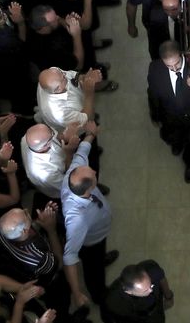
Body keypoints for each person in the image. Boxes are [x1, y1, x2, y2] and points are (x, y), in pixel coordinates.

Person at [61, 124, 119, 308]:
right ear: (88, 189)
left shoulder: (74, 173)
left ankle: (102, 259)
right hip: (90, 242)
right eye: (93, 176)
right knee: (93, 270)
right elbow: (69, 256)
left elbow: (82, 152)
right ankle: (99, 294)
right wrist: (77, 294)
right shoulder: (77, 219)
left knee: (99, 254)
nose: (94, 171)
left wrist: (91, 134)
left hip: (98, 233)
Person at [146, 41, 190, 183]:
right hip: (170, 117)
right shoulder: (155, 69)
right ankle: (177, 145)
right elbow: (152, 94)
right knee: (173, 136)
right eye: (169, 66)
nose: (174, 69)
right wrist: (155, 114)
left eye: (177, 64)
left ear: (182, 55)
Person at [0, 205, 76, 321]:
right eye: (26, 214)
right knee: (60, 303)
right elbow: (59, 263)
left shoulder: (3, 232)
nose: (27, 211)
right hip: (50, 281)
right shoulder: (39, 258)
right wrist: (51, 229)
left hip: (24, 271)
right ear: (24, 231)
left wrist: (38, 222)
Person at [21, 122, 81, 201]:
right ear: (45, 145)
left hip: (64, 155)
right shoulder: (45, 173)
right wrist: (69, 153)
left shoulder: (28, 137)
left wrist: (65, 135)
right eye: (52, 136)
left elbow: (56, 136)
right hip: (62, 185)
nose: (54, 134)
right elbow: (69, 182)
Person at [103, 261, 174, 323]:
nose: (151, 290)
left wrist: (168, 297)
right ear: (129, 292)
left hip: (155, 307)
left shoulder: (151, 268)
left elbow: (161, 278)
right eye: (145, 290)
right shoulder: (115, 302)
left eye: (150, 284)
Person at [36, 67, 101, 132]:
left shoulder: (54, 73)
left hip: (79, 100)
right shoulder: (60, 113)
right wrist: (89, 92)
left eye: (61, 72)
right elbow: (88, 118)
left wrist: (85, 78)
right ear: (58, 89)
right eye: (63, 78)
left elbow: (71, 76)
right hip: (73, 125)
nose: (64, 74)